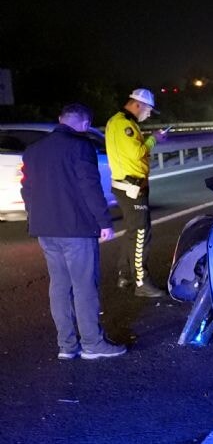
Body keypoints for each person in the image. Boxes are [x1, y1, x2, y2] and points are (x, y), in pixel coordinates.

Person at [21, 104, 126, 360]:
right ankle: (92, 343)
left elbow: (26, 190)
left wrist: (35, 217)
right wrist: (105, 222)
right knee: (84, 287)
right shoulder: (81, 147)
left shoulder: (33, 151)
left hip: (45, 229)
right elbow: (90, 188)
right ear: (85, 124)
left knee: (59, 286)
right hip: (76, 229)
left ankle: (66, 346)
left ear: (60, 119)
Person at [105, 88, 167, 297]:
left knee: (133, 232)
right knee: (141, 234)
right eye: (148, 110)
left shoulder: (120, 121)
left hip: (128, 185)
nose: (148, 115)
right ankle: (142, 282)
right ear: (138, 104)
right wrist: (154, 139)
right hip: (131, 187)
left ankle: (126, 275)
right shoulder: (124, 124)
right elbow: (137, 152)